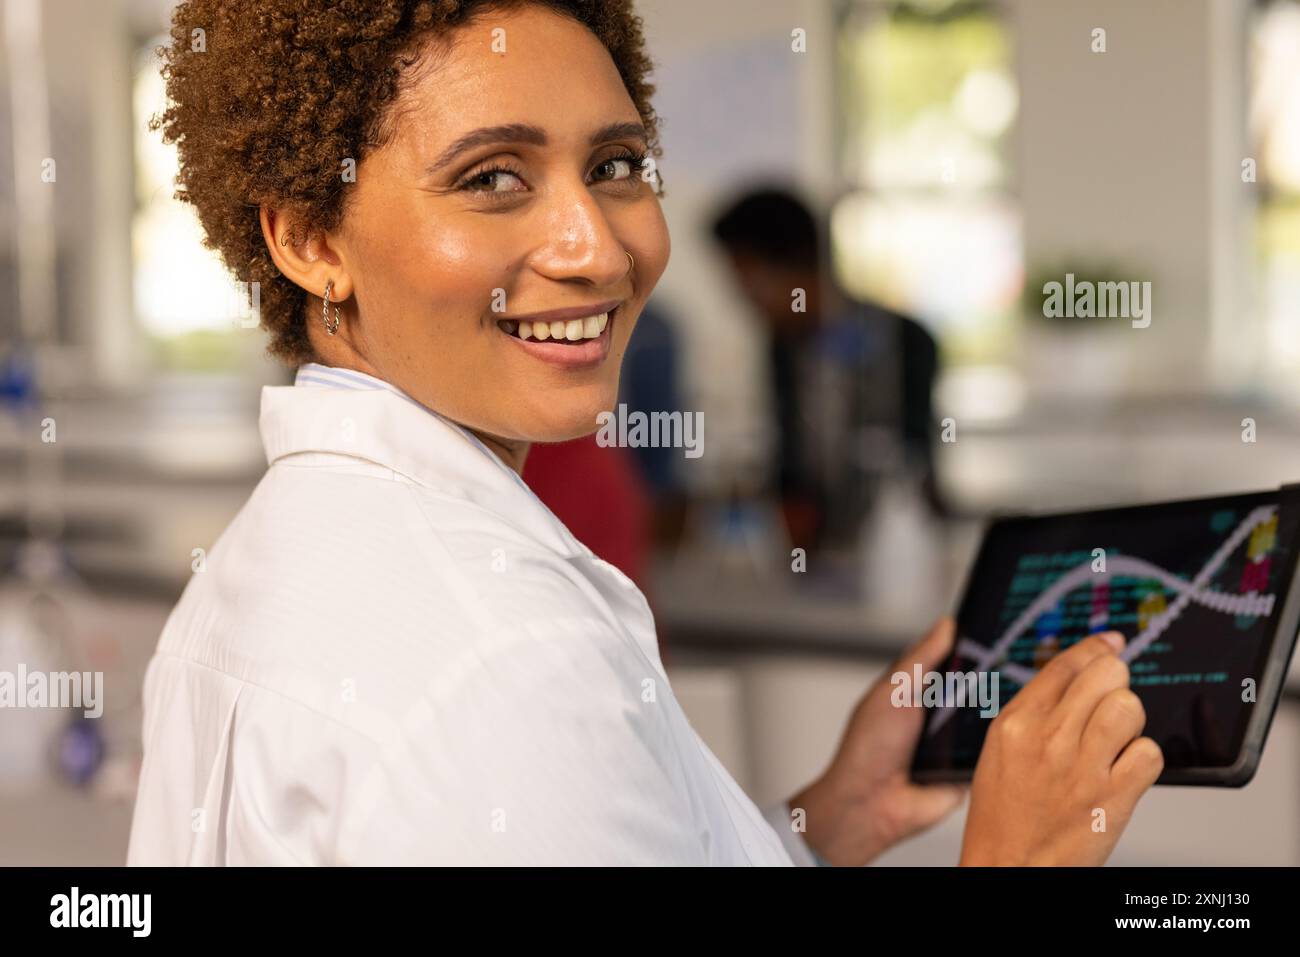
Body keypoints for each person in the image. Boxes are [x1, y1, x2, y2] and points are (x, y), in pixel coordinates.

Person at [127, 0, 1162, 866]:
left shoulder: (262, 566)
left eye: (616, 164)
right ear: (308, 238)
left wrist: (826, 823)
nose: (596, 246)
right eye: (493, 178)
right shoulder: (506, 661)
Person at [711, 187, 946, 551]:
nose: (744, 297)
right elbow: (789, 466)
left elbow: (915, 458)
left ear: (800, 264)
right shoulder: (783, 347)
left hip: (898, 547)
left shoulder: (903, 341)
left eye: (748, 279)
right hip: (817, 558)